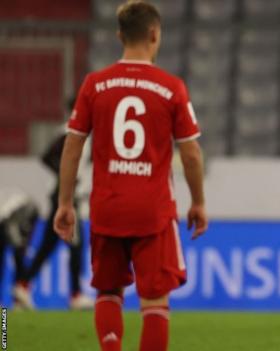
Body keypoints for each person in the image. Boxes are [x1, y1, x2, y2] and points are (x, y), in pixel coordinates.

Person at [53, 1, 208, 350]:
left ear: (120, 35)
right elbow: (191, 153)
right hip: (153, 211)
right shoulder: (171, 88)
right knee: (155, 301)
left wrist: (65, 203)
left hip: (107, 207)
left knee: (108, 292)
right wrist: (198, 202)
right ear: (155, 34)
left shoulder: (95, 85)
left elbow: (72, 148)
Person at [13, 133, 94, 310]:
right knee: (76, 247)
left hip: (67, 196)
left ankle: (23, 285)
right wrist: (66, 174)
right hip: (65, 198)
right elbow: (47, 157)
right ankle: (76, 295)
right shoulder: (71, 133)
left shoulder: (88, 138)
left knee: (47, 247)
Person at [0, 190, 38, 309]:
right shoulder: (28, 208)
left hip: (9, 221)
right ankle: (18, 298)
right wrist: (19, 243)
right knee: (17, 255)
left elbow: (23, 230)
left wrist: (22, 244)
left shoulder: (27, 207)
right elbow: (11, 225)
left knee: (18, 256)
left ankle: (18, 299)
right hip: (6, 222)